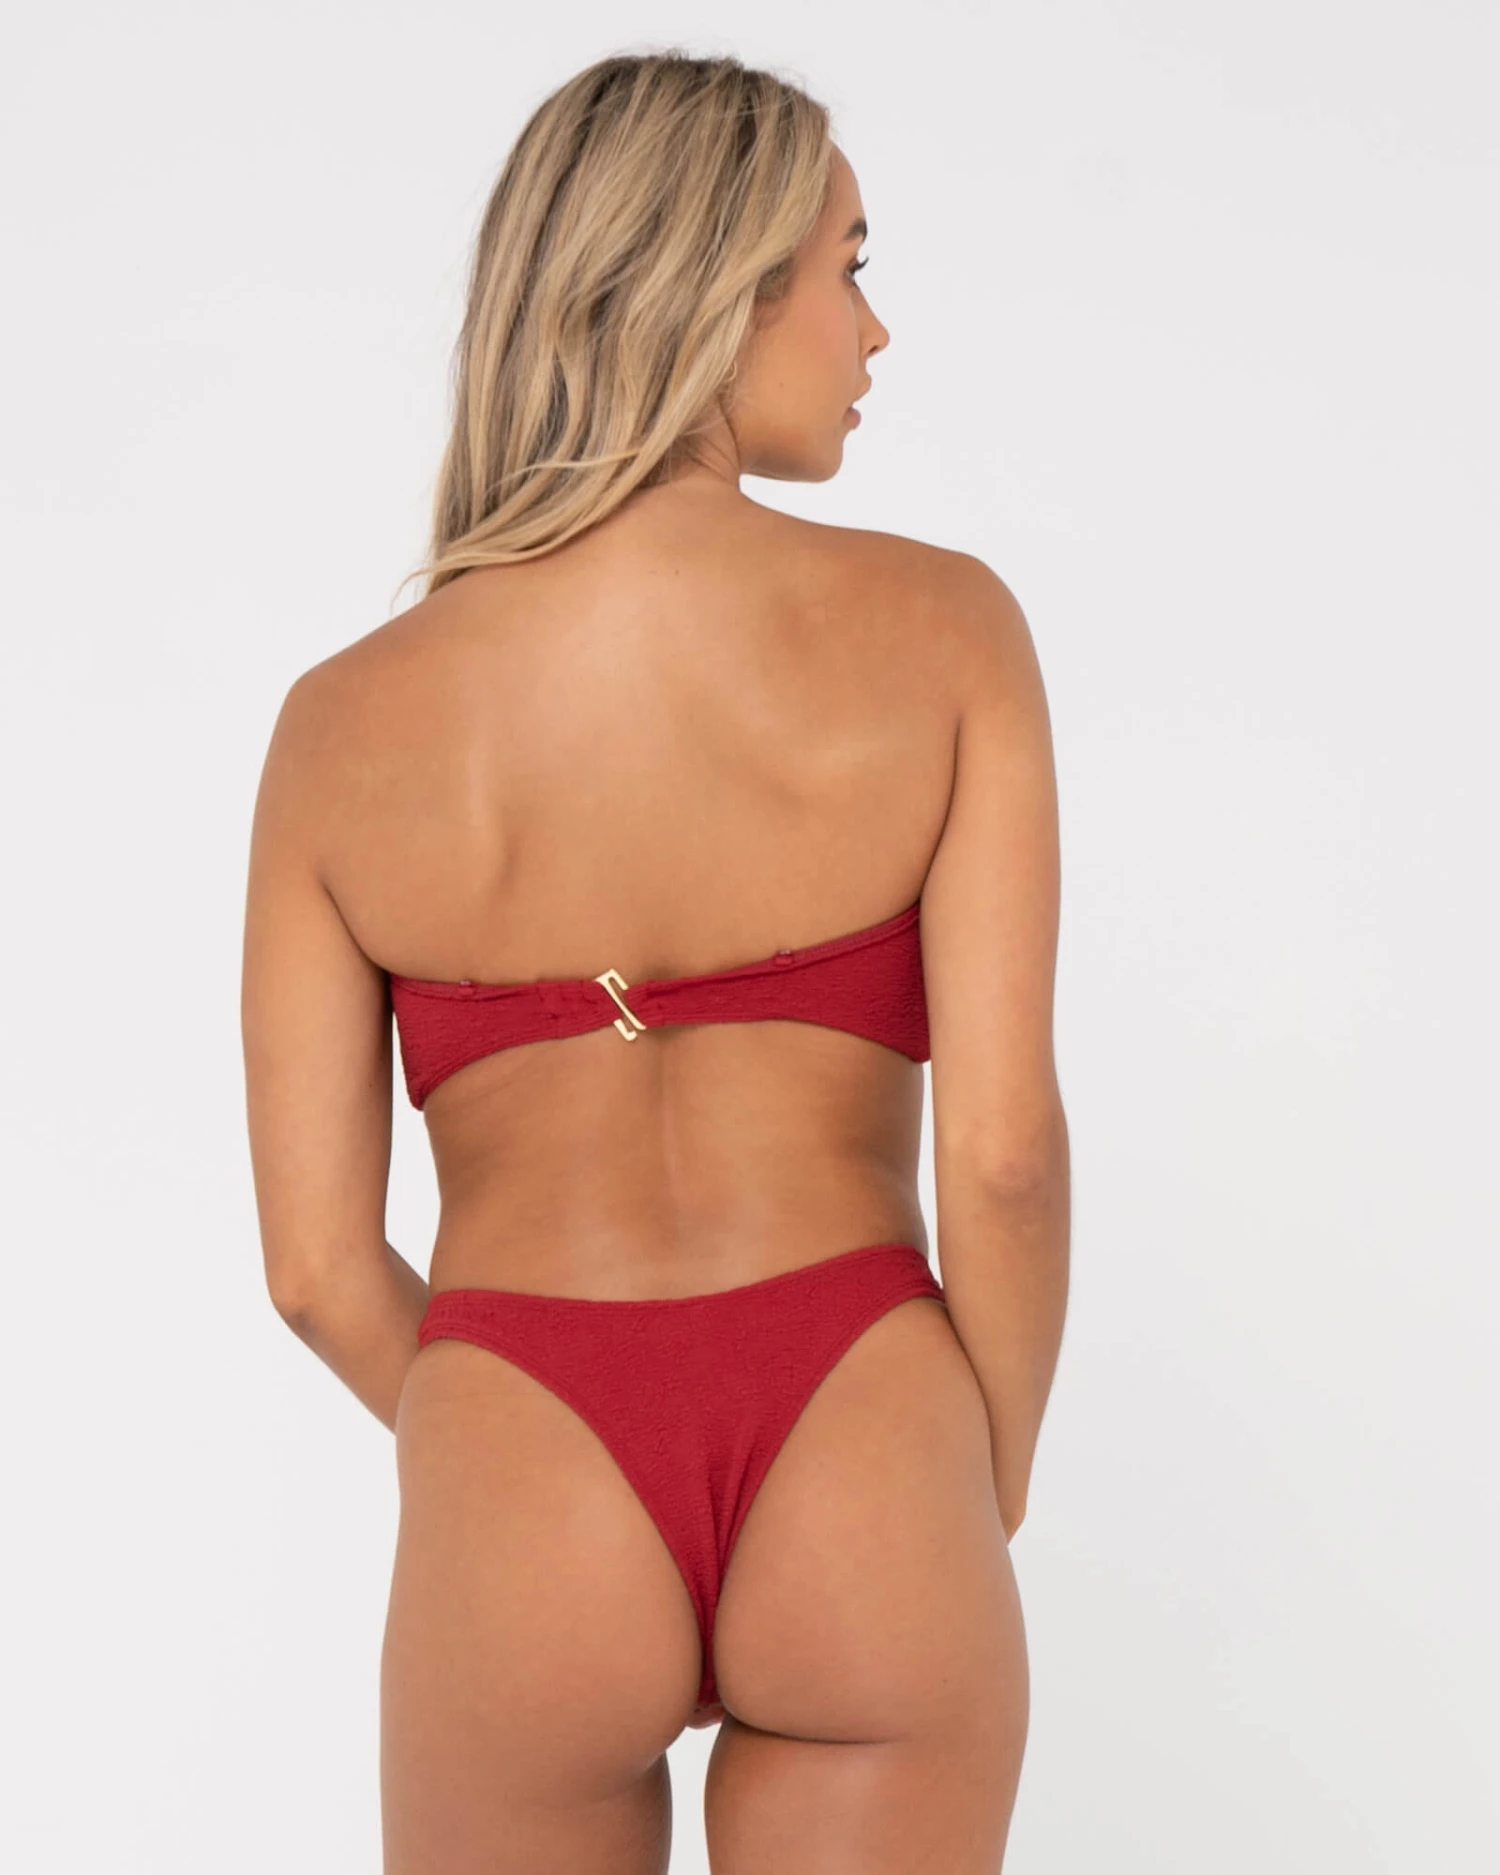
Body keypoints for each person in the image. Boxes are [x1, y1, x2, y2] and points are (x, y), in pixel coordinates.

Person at [241, 49, 1069, 1875]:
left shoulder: (339, 728)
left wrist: (487, 1427)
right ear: (722, 286)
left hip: (520, 1454)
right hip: (866, 1418)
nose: (874, 330)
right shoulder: (946, 629)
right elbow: (1004, 1156)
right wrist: (975, 1470)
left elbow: (314, 1267)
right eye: (850, 267)